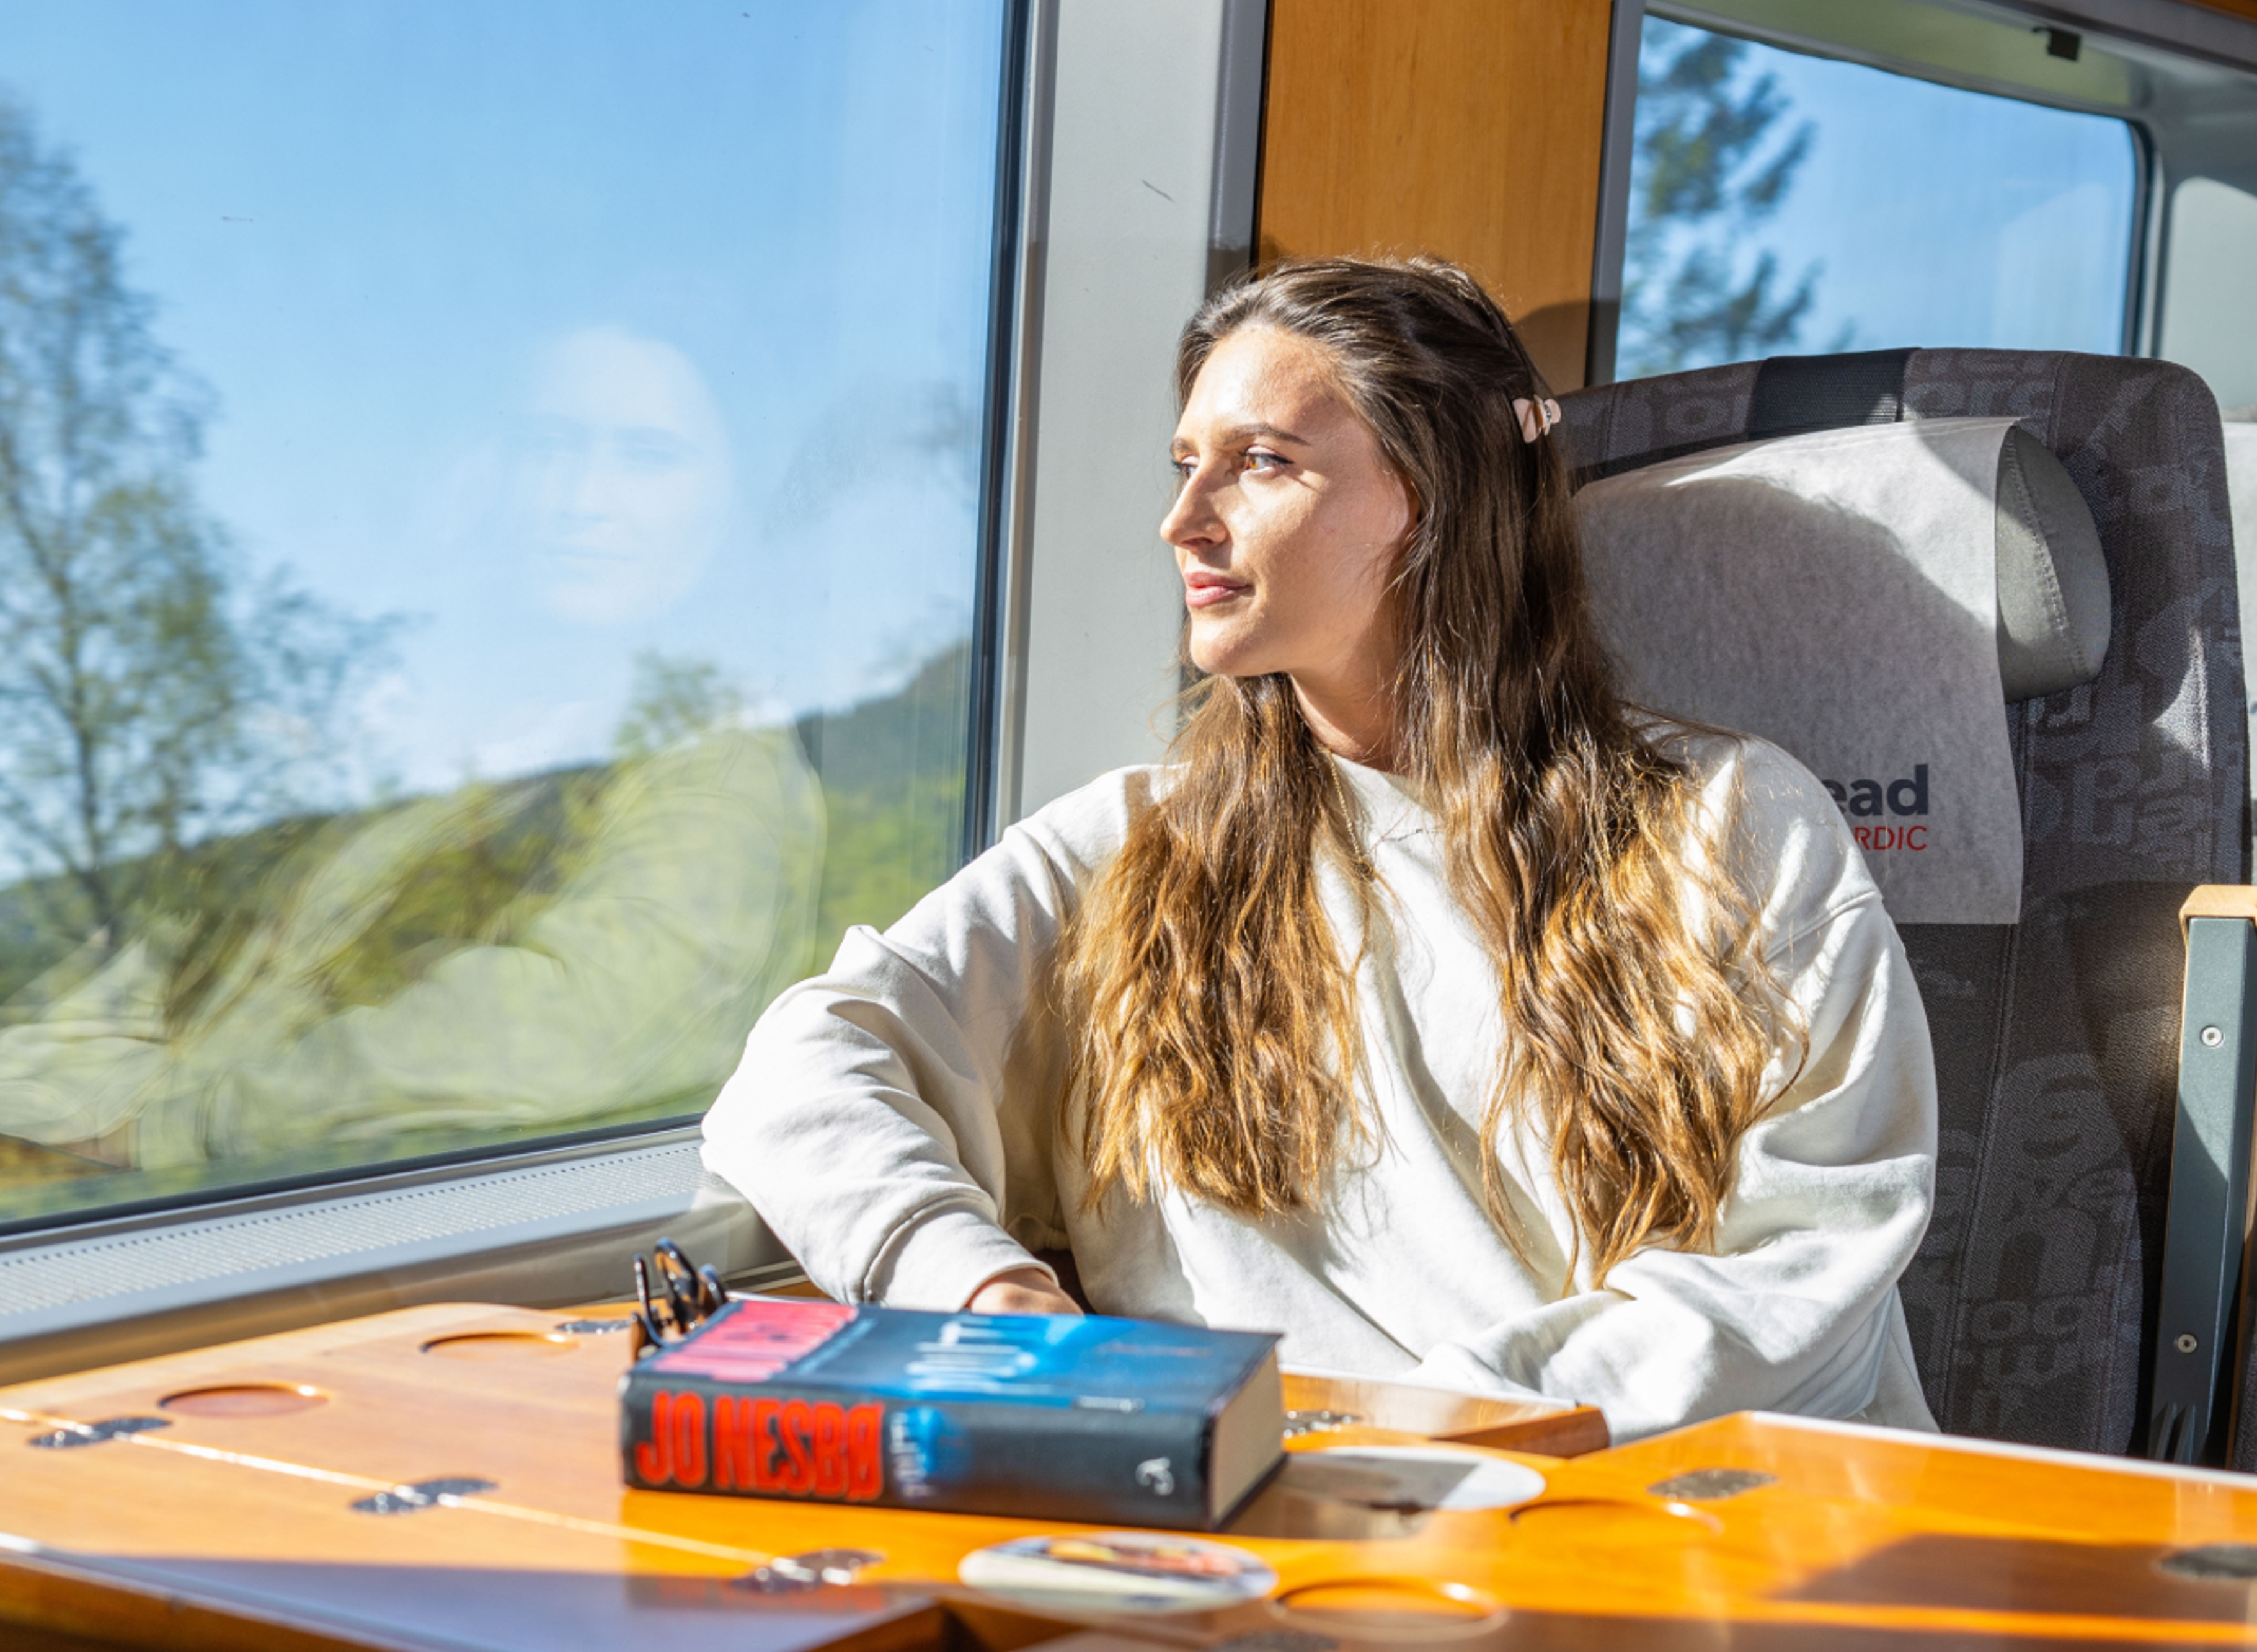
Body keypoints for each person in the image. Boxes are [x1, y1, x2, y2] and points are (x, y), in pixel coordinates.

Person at [703, 257, 1938, 1440]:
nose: (1183, 518)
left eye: (1261, 463)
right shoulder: (1133, 848)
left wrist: (1419, 1434)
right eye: (1187, 463)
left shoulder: (1732, 828)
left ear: (1436, 498)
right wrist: (990, 1301)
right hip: (1258, 1520)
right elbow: (804, 1073)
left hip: (1635, 1515)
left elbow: (1810, 1279)